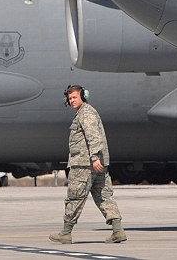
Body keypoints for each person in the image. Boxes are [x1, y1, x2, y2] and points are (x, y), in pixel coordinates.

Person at [49, 85, 126, 244]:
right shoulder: (86, 113)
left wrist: (94, 157)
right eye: (69, 99)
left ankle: (65, 232)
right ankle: (118, 231)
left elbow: (93, 136)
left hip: (85, 165)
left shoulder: (86, 113)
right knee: (104, 196)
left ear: (83, 96)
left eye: (74, 97)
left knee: (75, 197)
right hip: (96, 164)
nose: (71, 101)